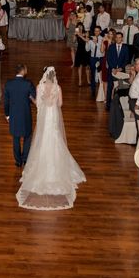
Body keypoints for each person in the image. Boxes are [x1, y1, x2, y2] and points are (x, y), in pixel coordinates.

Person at [16, 67, 86, 210]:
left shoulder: (39, 86)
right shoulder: (57, 87)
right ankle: (56, 167)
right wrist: (53, 100)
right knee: (54, 138)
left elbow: (38, 104)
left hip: (44, 117)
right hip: (52, 115)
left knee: (42, 138)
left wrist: (41, 99)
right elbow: (60, 104)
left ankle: (40, 166)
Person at [4, 64, 36, 167]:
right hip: (25, 114)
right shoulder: (28, 84)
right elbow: (34, 97)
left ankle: (18, 161)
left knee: (16, 138)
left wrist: (7, 115)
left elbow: (6, 102)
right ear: (23, 71)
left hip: (14, 115)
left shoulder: (8, 84)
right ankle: (25, 159)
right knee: (27, 136)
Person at [105, 31, 129, 111]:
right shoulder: (111, 47)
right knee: (110, 87)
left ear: (122, 38)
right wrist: (113, 68)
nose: (118, 39)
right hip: (112, 71)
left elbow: (126, 59)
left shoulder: (125, 48)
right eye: (117, 37)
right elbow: (108, 58)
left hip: (121, 72)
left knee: (120, 89)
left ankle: (120, 106)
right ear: (115, 38)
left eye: (120, 37)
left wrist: (120, 68)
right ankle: (108, 105)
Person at [86, 26, 103, 98]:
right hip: (93, 58)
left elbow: (102, 50)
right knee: (92, 74)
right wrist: (87, 42)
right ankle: (93, 91)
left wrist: (97, 43)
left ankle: (101, 91)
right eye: (95, 31)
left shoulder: (102, 39)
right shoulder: (91, 39)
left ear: (100, 31)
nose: (96, 32)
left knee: (100, 75)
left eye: (98, 31)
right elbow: (87, 50)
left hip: (100, 58)